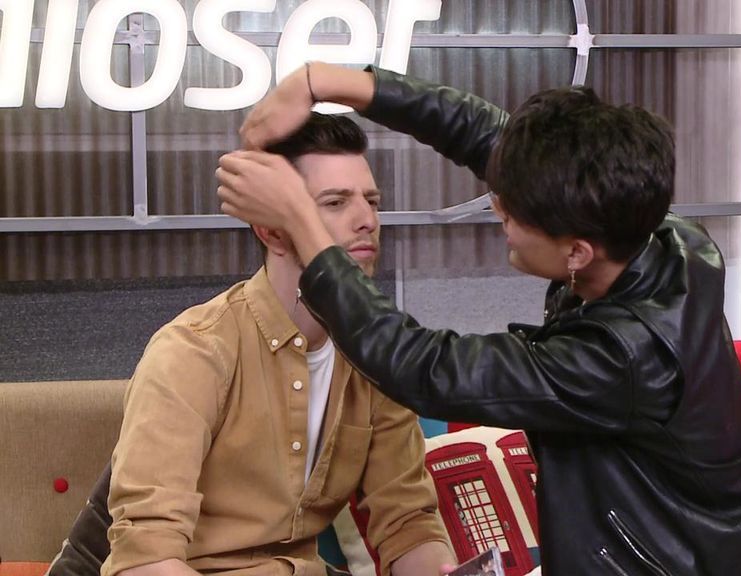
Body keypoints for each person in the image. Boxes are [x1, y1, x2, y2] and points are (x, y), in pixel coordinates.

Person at [217, 63, 741, 575]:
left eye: (514, 214)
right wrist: (323, 81)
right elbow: (490, 137)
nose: (498, 208)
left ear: (575, 252)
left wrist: (303, 222)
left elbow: (424, 367)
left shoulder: (620, 359)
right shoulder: (649, 232)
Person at [61, 113, 454, 576]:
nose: (366, 220)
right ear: (271, 231)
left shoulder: (377, 353)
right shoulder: (194, 352)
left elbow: (408, 525)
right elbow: (146, 560)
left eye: (371, 201)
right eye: (334, 202)